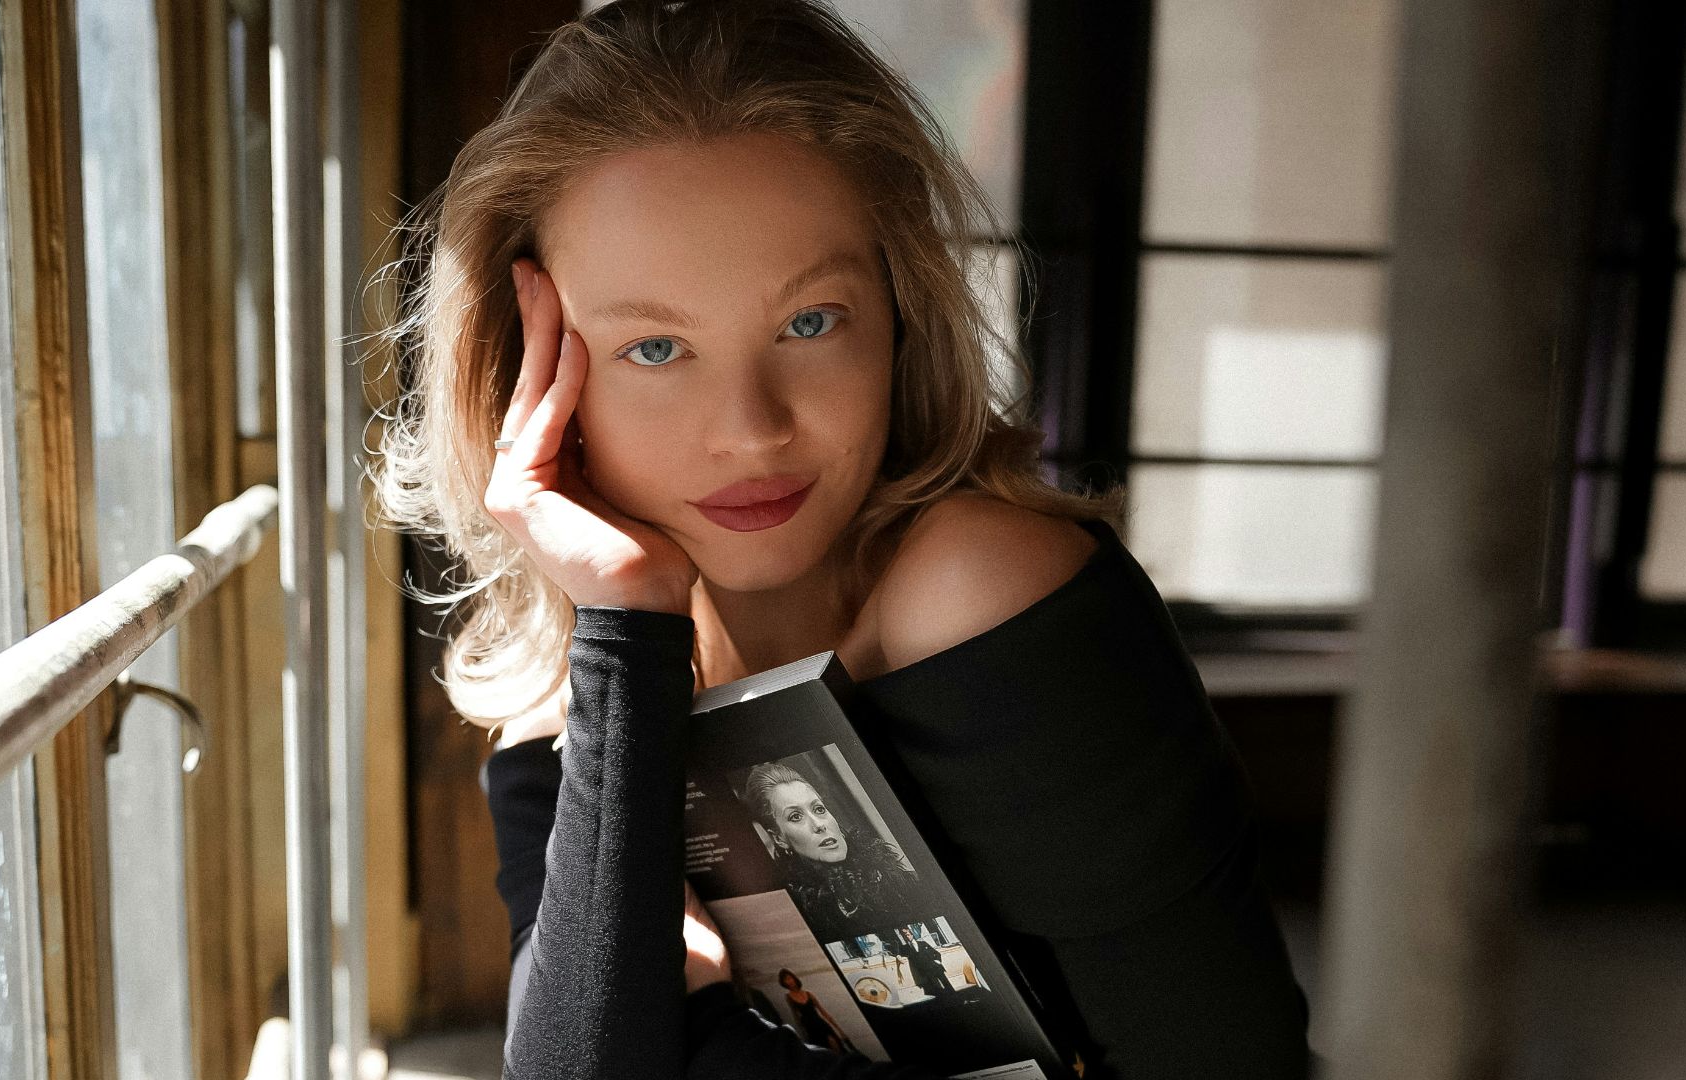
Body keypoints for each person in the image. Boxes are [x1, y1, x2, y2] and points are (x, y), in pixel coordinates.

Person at [376, 1, 1314, 1077]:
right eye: (656, 348)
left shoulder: (978, 591)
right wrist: (627, 628)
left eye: (810, 322)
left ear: (900, 314)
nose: (752, 429)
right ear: (530, 368)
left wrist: (702, 1036)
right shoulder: (575, 681)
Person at [743, 761, 925, 943]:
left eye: (819, 809)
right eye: (796, 816)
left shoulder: (903, 881)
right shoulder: (797, 919)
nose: (819, 825)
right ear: (779, 838)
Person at [778, 969, 855, 1055]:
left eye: (790, 978)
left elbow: (823, 1012)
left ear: (794, 978)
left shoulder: (808, 994)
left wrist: (840, 1030)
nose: (789, 981)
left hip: (820, 1022)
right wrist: (803, 1035)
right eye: (786, 980)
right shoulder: (789, 997)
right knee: (826, 1051)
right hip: (809, 1027)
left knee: (836, 1045)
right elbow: (796, 1017)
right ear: (784, 983)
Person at [893, 927, 955, 999]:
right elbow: (896, 951)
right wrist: (898, 956)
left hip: (936, 967)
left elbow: (936, 953)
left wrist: (937, 961)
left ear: (912, 935)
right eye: (905, 936)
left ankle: (955, 997)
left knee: (947, 985)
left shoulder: (922, 943)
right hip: (926, 971)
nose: (907, 937)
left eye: (908, 935)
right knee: (937, 988)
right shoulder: (905, 948)